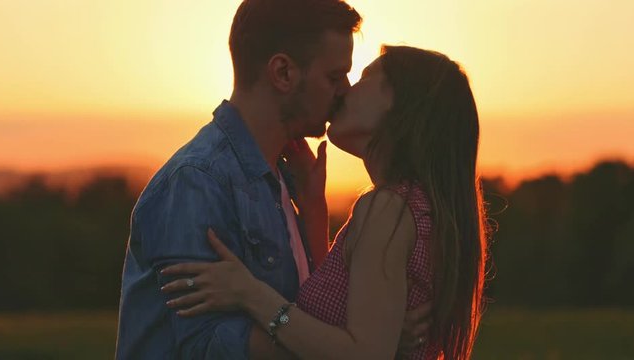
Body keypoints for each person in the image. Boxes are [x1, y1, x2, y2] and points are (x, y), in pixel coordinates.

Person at [115, 1, 431, 358]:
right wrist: (364, 347)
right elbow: (206, 348)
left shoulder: (285, 179)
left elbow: (312, 311)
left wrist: (375, 336)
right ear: (282, 73)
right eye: (333, 76)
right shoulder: (198, 181)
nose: (345, 89)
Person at [160, 45, 489, 359]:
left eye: (363, 77)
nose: (345, 90)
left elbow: (364, 355)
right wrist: (313, 205)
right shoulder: (417, 207)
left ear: (401, 105)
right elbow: (342, 308)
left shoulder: (388, 209)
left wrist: (250, 294)